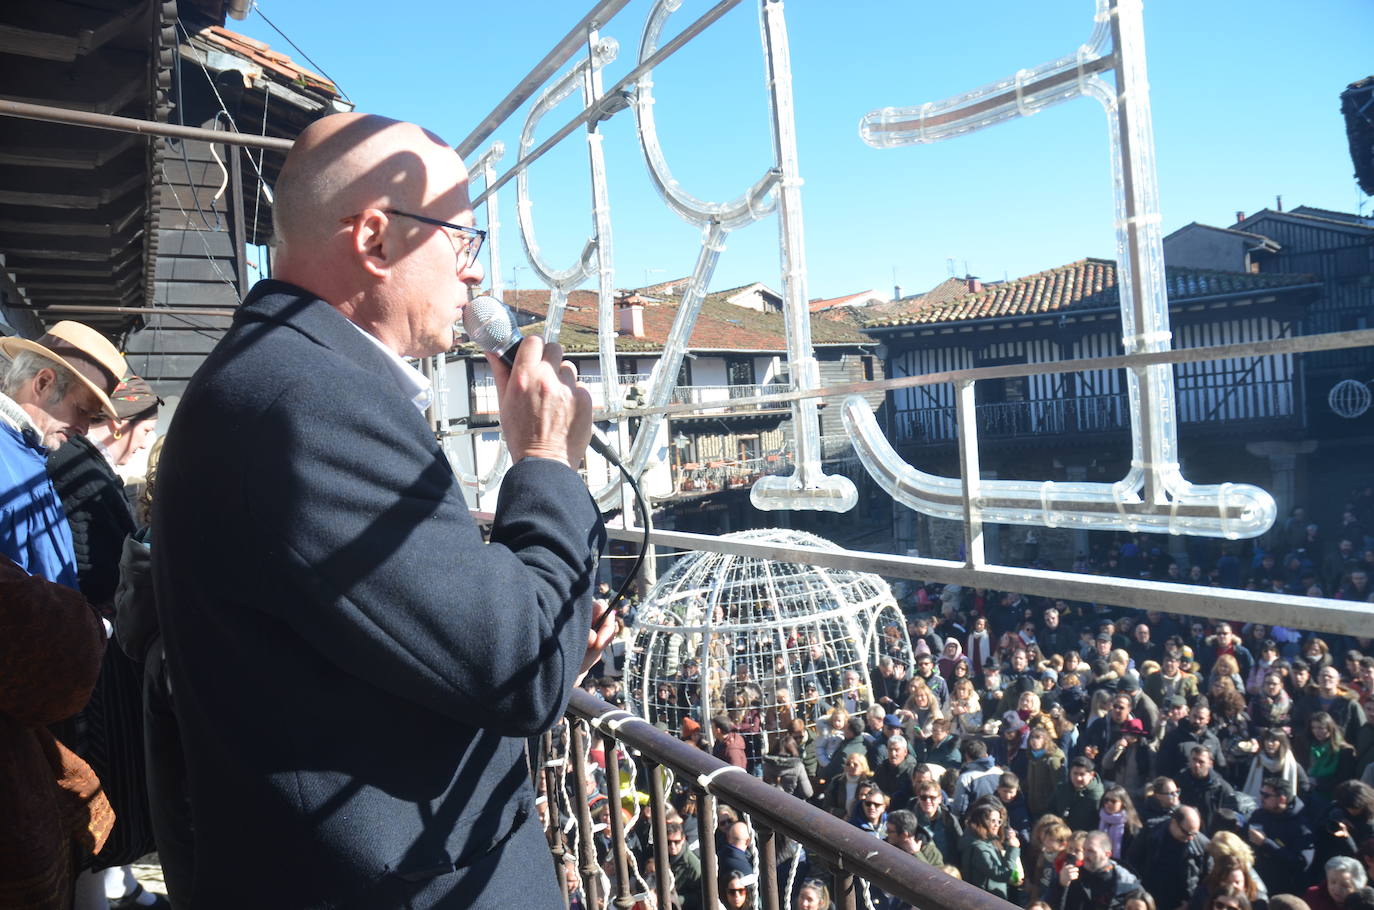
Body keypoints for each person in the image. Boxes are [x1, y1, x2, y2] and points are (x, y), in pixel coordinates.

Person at [152, 113, 613, 909]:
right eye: (461, 242)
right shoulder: (307, 404)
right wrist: (543, 461)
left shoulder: (285, 378)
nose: (474, 276)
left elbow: (367, 636)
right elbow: (521, 669)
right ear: (375, 238)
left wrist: (542, 624)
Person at [1245, 779, 1313, 898]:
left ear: (1282, 799)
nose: (1261, 798)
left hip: (1284, 889)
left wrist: (1266, 843)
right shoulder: (1260, 814)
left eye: (1266, 795)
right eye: (1261, 793)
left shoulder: (1301, 826)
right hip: (1257, 882)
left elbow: (1301, 863)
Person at [1053, 830, 1141, 910]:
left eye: (1091, 851)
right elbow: (1051, 905)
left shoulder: (1125, 881)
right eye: (1084, 850)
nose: (1085, 855)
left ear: (1107, 854)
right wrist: (1061, 885)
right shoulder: (1073, 875)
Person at [961, 802, 1021, 900]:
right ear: (981, 822)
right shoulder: (979, 849)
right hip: (985, 901)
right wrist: (1013, 849)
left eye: (999, 821)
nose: (997, 825)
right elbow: (1001, 874)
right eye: (993, 821)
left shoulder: (986, 841)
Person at [1052, 757, 1106, 832]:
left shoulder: (1097, 796)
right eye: (1075, 773)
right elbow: (1051, 809)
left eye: (1082, 774)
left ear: (1091, 775)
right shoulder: (1062, 789)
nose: (1078, 778)